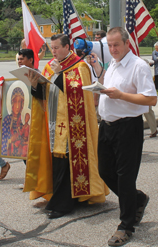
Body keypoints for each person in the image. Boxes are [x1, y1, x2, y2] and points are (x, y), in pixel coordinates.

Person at [25, 33, 107, 220]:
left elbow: (78, 93)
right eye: (51, 48)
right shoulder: (49, 66)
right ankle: (59, 197)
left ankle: (64, 203)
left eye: (56, 48)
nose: (53, 51)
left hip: (73, 125)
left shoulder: (79, 66)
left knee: (67, 163)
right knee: (56, 162)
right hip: (53, 122)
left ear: (67, 47)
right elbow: (43, 94)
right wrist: (34, 85)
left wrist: (59, 73)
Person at [88, 27, 157, 247]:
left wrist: (121, 95)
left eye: (116, 44)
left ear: (127, 43)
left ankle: (126, 225)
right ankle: (136, 199)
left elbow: (151, 99)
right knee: (105, 172)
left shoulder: (139, 66)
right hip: (107, 126)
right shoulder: (113, 65)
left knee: (125, 177)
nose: (113, 49)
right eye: (109, 45)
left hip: (128, 127)